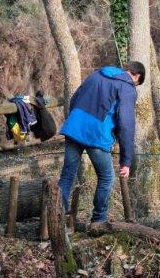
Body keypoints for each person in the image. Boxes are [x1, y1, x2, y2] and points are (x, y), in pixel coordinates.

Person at [58, 62, 144, 224]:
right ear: (136, 76)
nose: (135, 87)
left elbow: (75, 98)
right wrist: (126, 161)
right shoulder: (127, 87)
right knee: (106, 177)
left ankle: (56, 217)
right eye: (137, 84)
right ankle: (98, 220)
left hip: (74, 127)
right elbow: (126, 124)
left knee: (68, 174)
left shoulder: (97, 75)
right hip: (96, 134)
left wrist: (76, 121)